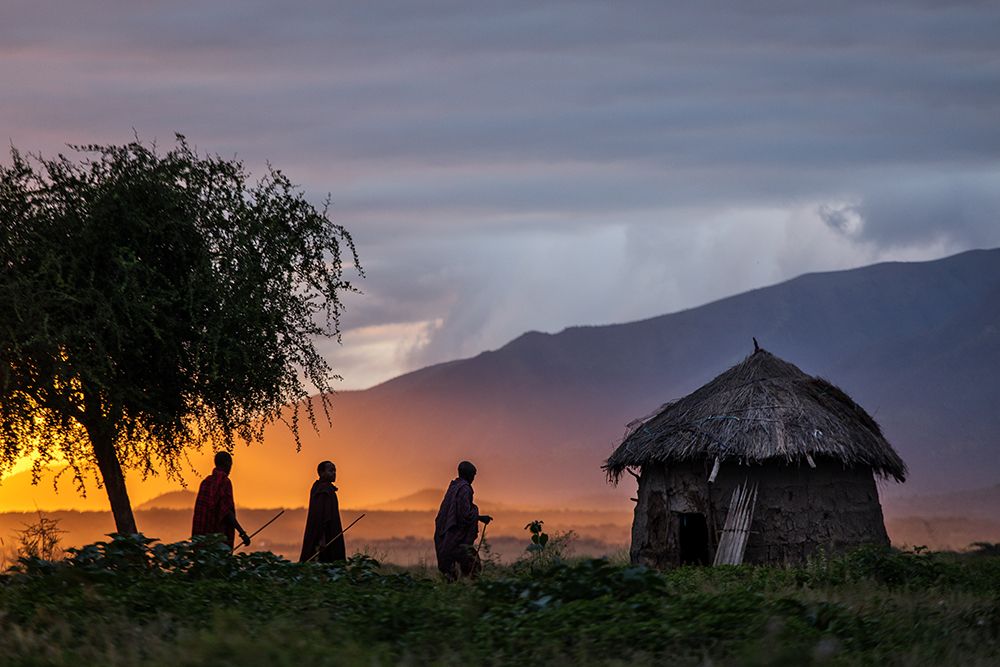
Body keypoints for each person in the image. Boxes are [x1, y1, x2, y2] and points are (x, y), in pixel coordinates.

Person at [434, 460, 492, 580]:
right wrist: (479, 516)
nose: (474, 478)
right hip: (457, 539)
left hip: (447, 537)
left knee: (452, 573)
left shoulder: (454, 487)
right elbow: (464, 515)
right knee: (473, 568)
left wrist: (478, 516)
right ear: (468, 474)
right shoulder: (465, 489)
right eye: (473, 475)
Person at [191, 451, 250, 549]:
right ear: (227, 464)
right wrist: (242, 533)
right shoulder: (224, 482)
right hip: (218, 540)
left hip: (202, 539)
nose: (231, 469)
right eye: (230, 465)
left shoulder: (205, 483)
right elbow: (226, 512)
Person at [299, 460, 347, 562]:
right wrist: (322, 539)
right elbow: (321, 517)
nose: (334, 473)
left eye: (335, 470)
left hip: (326, 533)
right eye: (330, 470)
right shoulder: (323, 490)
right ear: (321, 473)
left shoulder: (321, 488)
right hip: (326, 535)